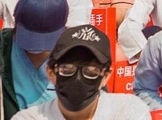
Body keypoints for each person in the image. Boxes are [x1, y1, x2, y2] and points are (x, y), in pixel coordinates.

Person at [9, 25, 151, 120]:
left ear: (105, 76)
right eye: (67, 70)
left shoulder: (128, 112)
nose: (78, 79)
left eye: (90, 72)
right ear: (51, 72)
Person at [0, 0, 69, 117]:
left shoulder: (79, 54)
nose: (38, 48)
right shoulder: (3, 47)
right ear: (15, 19)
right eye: (31, 37)